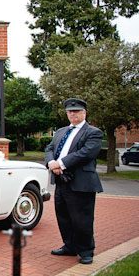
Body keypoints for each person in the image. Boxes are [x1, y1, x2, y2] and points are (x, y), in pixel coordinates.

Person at [45, 98, 103, 265]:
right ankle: (69, 246)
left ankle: (86, 251)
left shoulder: (93, 132)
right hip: (61, 181)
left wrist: (61, 163)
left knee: (82, 219)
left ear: (84, 113)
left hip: (81, 183)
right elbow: (50, 149)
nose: (73, 114)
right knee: (63, 217)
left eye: (76, 111)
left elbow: (86, 153)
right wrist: (51, 164)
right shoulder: (61, 131)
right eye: (70, 111)